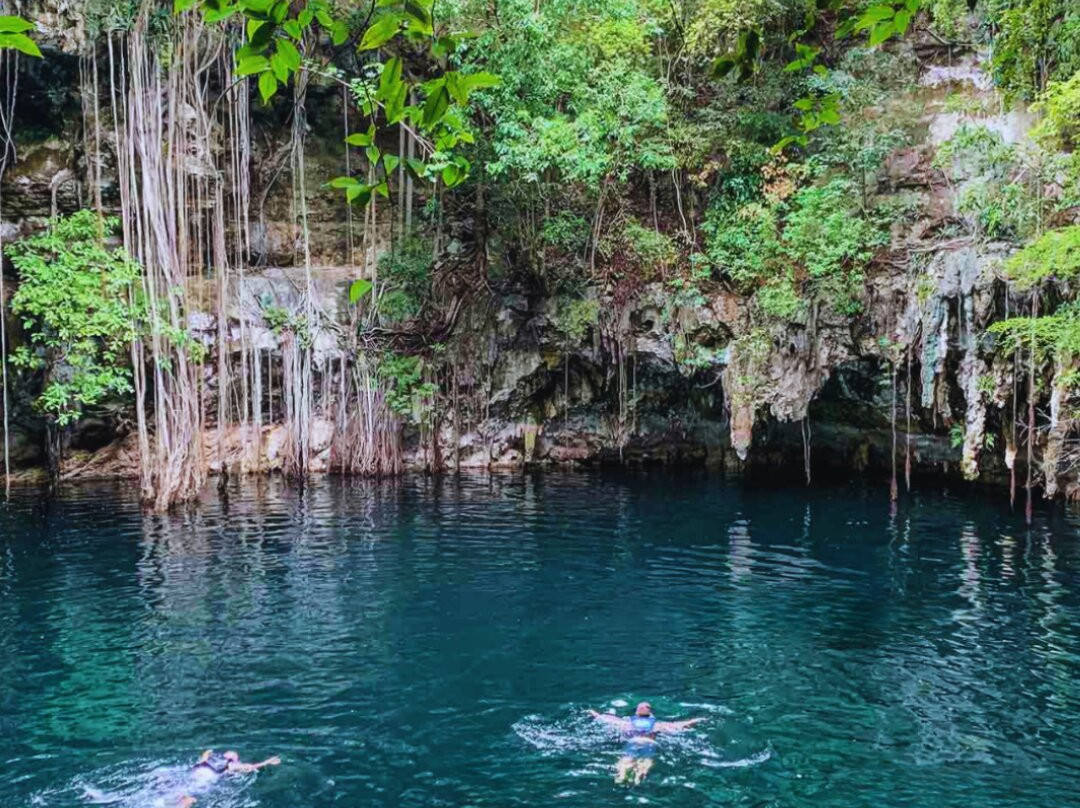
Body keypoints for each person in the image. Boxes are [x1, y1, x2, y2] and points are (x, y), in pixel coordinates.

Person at [587, 701, 706, 784]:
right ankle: (639, 778)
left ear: (636, 714)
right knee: (646, 761)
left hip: (633, 742)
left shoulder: (626, 724)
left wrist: (594, 713)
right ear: (651, 715)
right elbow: (679, 725)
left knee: (626, 759)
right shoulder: (657, 725)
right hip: (649, 743)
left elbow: (606, 719)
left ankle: (621, 777)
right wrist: (697, 720)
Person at [173, 750, 281, 807]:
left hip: (195, 772)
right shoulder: (231, 765)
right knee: (192, 795)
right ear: (233, 759)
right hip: (207, 778)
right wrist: (268, 761)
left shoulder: (206, 759)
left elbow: (205, 753)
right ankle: (186, 802)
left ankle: (181, 799)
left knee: (185, 787)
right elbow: (252, 767)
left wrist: (207, 752)